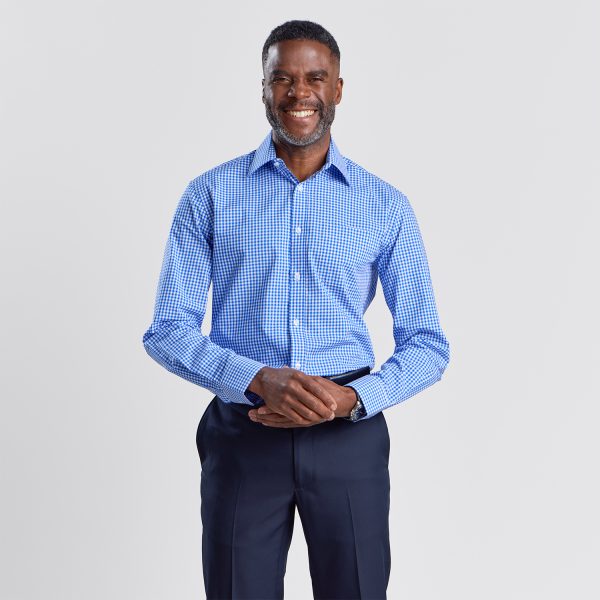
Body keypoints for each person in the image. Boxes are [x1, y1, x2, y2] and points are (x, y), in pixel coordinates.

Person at [142, 19, 450, 600]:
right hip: (243, 432)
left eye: (315, 78)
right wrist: (256, 379)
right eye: (281, 78)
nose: (298, 93)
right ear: (262, 88)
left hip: (348, 437)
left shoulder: (385, 205)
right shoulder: (209, 194)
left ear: (338, 89)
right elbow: (168, 330)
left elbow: (428, 346)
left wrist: (352, 398)